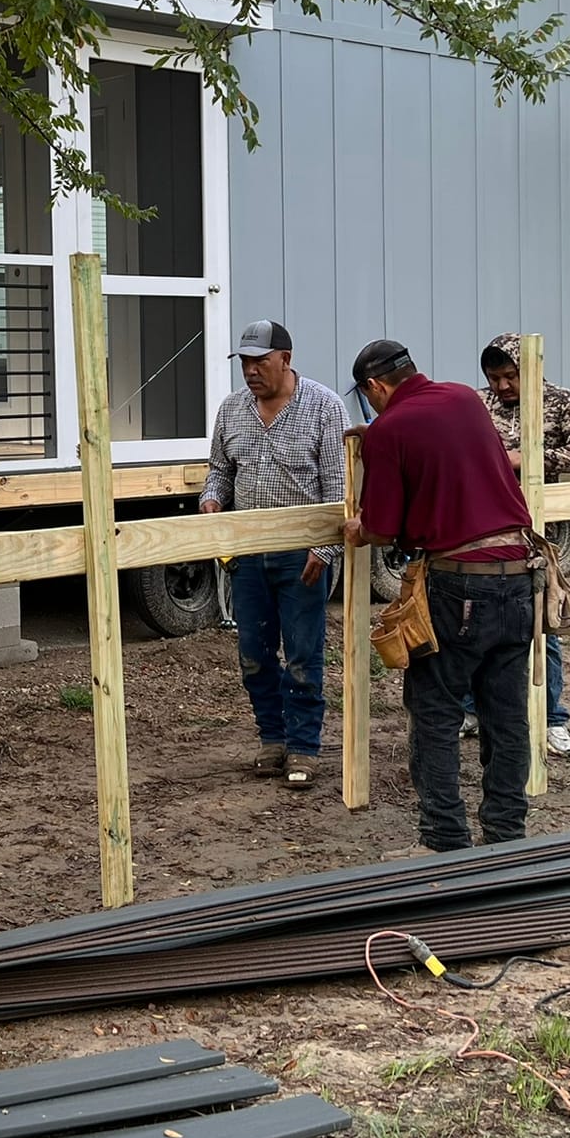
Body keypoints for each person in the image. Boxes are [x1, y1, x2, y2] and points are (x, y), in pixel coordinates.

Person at [344, 340, 536, 850]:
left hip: (458, 581)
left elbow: (383, 529)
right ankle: (506, 836)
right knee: (507, 713)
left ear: (375, 388)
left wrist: (358, 527)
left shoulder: (390, 429)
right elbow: (443, 449)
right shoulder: (464, 399)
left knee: (435, 710)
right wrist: (382, 438)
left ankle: (445, 841)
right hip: (518, 572)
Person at [200, 320, 348, 789]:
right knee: (254, 653)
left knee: (304, 654)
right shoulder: (232, 410)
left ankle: (304, 747)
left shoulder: (325, 407)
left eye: (259, 362)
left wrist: (324, 548)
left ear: (285, 358)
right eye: (244, 363)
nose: (250, 372)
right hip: (248, 550)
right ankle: (272, 738)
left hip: (302, 554)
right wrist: (212, 500)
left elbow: (340, 487)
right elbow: (221, 470)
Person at [465, 333, 570, 757]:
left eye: (510, 376)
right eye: (494, 378)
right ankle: (474, 709)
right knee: (478, 623)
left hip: (534, 535)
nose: (502, 387)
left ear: (530, 372)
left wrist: (527, 456)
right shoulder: (476, 404)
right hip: (483, 531)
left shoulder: (559, 403)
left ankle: (550, 718)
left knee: (542, 622)